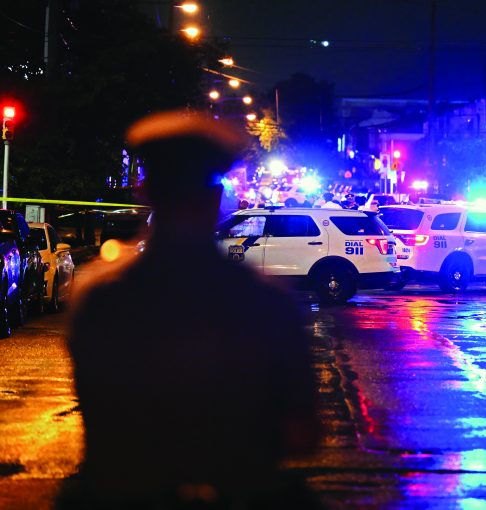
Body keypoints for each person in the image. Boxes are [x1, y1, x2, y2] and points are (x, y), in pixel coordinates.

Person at [59, 110, 320, 509]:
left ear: (145, 192)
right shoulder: (267, 302)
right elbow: (302, 436)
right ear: (215, 200)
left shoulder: (98, 296)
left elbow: (97, 413)